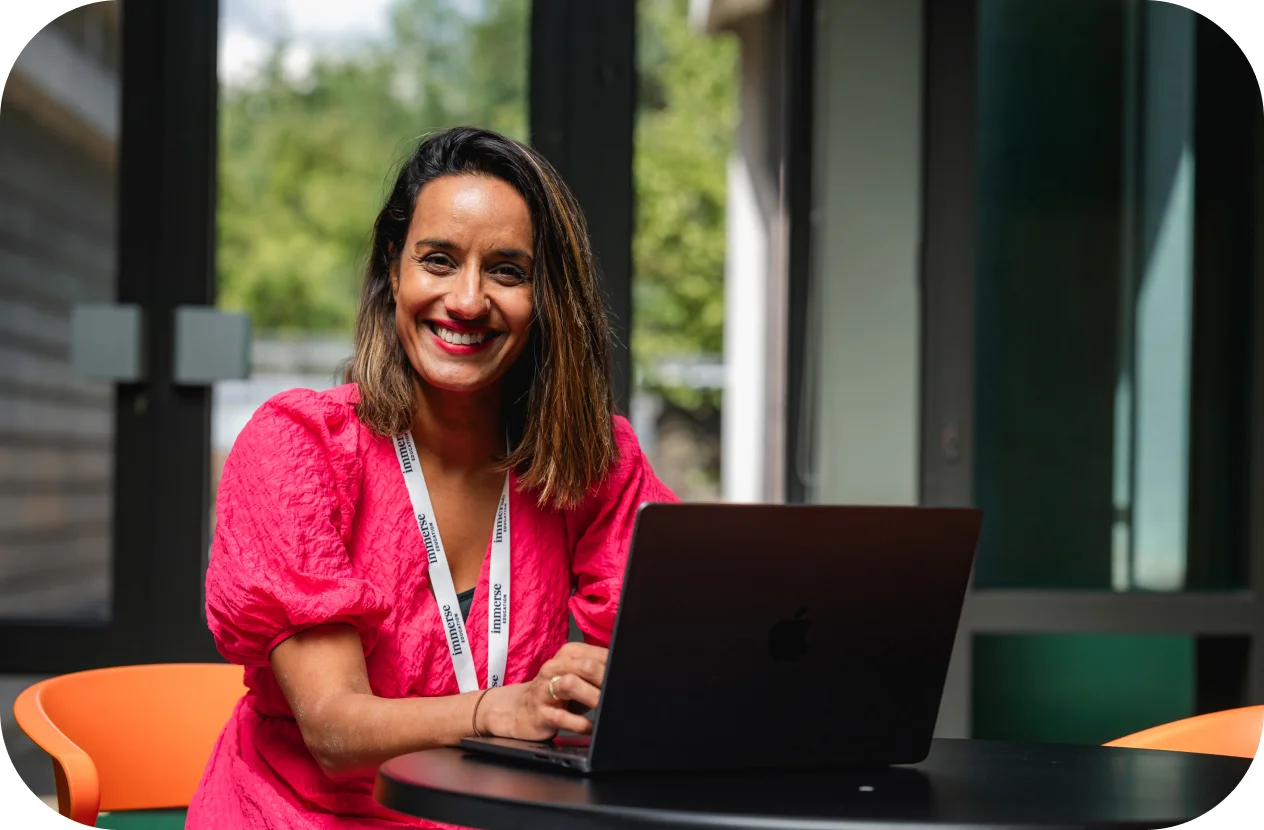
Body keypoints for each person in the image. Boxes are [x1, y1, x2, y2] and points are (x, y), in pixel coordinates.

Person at [187, 126, 677, 829]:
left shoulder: (592, 459)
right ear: (395, 267)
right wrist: (499, 708)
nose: (469, 301)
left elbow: (668, 651)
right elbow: (333, 732)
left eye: (507, 270)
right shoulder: (297, 450)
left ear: (546, 296)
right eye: (439, 260)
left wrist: (607, 682)